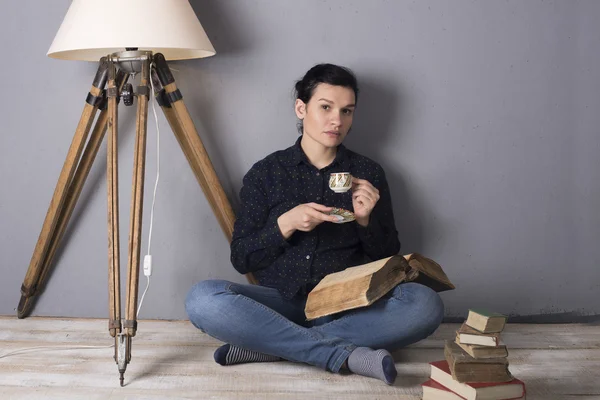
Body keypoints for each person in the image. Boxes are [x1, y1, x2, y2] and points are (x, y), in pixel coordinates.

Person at [185, 63, 444, 385]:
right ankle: (343, 354)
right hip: (281, 303)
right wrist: (284, 224)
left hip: (351, 304)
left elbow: (388, 256)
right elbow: (242, 258)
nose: (337, 120)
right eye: (326, 107)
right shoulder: (266, 173)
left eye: (347, 111)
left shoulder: (368, 172)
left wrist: (365, 220)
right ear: (301, 107)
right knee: (202, 298)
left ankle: (271, 346)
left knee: (425, 304)